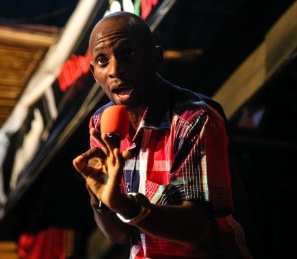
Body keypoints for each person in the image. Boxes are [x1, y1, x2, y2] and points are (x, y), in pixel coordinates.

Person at [73, 11, 256, 258]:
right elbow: (118, 235)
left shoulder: (193, 119)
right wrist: (101, 200)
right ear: (95, 74)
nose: (116, 69)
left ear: (155, 57)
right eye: (103, 60)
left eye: (127, 52)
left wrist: (124, 205)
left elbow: (195, 229)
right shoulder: (100, 123)